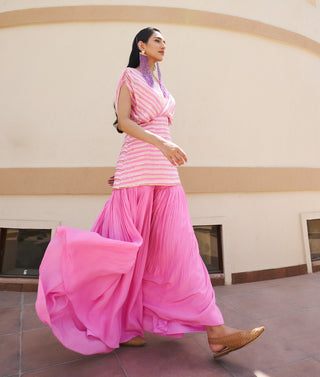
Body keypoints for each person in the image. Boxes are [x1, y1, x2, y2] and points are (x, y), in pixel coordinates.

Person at [36, 27, 264, 359]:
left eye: (164, 41)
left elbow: (156, 123)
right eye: (157, 40)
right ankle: (126, 326)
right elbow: (124, 122)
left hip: (164, 172)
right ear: (141, 45)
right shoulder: (129, 76)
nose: (163, 45)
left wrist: (162, 146)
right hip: (139, 169)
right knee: (128, 251)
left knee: (179, 250)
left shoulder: (161, 84)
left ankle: (215, 331)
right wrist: (160, 145)